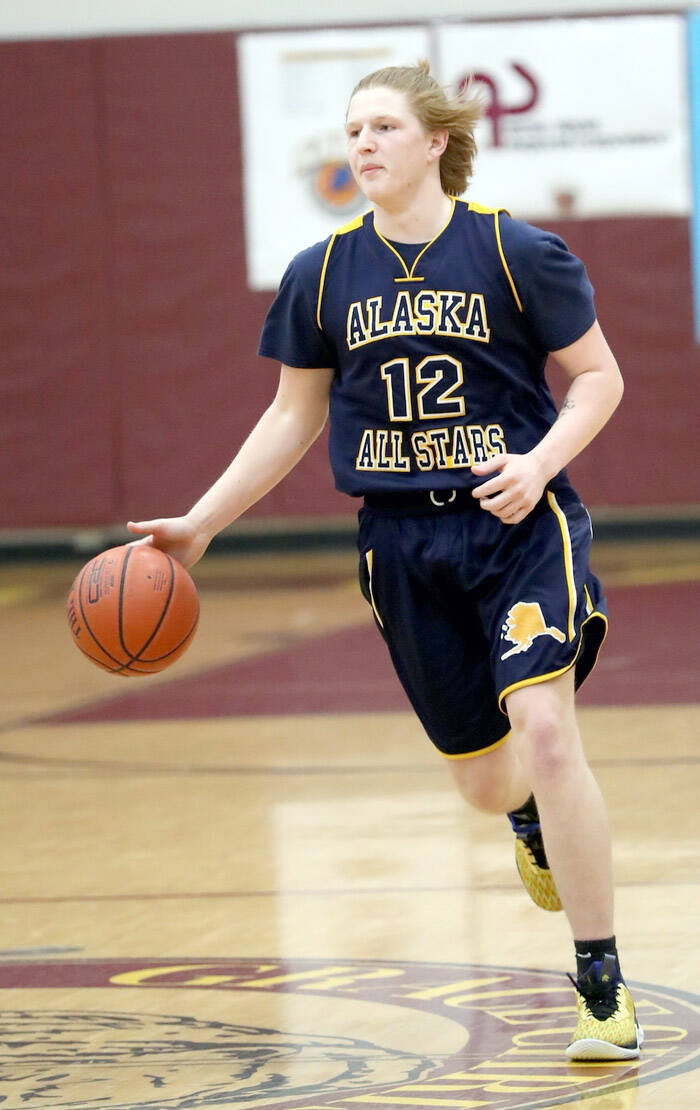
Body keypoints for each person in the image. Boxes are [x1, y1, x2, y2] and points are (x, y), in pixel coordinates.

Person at [128, 60, 642, 1061]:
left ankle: (599, 988)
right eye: (349, 130)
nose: (358, 145)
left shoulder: (516, 252)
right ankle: (525, 819)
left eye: (379, 128)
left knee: (544, 725)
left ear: (435, 141)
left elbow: (599, 381)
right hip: (401, 543)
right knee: (488, 785)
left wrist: (537, 465)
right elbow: (289, 419)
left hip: (515, 527)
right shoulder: (322, 274)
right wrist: (200, 524)